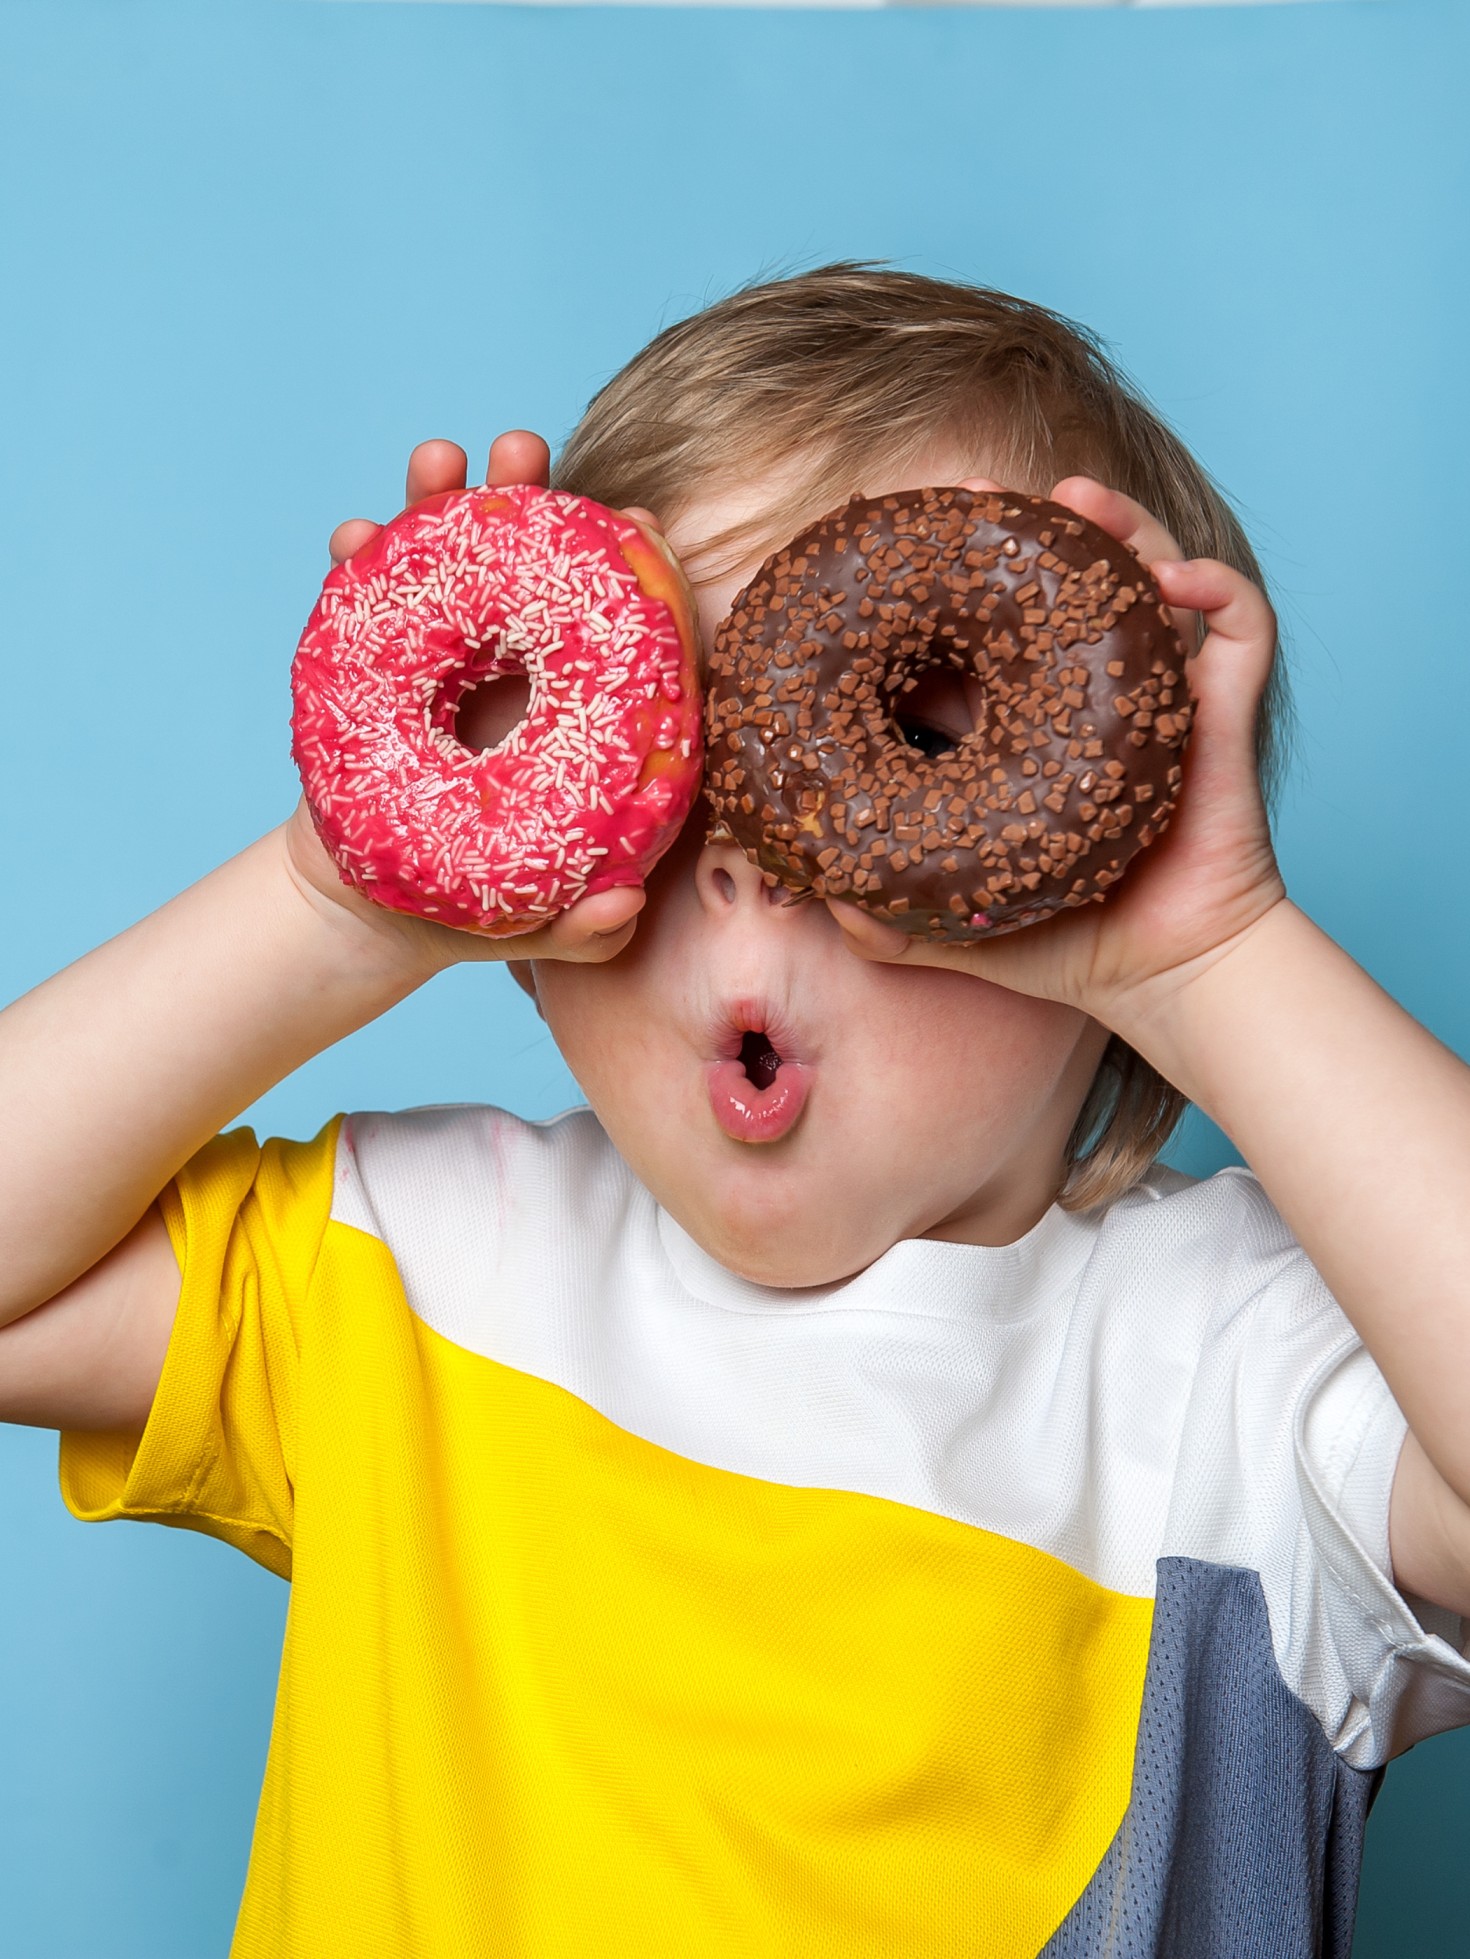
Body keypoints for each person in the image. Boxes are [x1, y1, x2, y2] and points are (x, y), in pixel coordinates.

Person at [4, 264, 1470, 1958]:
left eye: (911, 739)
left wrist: (1211, 958)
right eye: (665, 759)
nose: (741, 848)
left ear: (1094, 837)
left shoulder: (1242, 1387)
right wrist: (343, 900)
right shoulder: (408, 1276)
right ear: (534, 938)